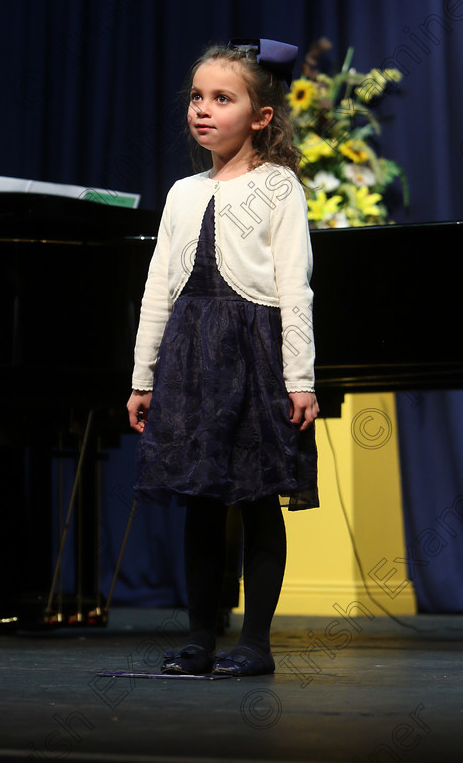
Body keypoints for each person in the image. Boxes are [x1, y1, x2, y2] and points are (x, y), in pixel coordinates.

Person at [126, 38, 319, 677]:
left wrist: (300, 378)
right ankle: (201, 640)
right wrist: (142, 376)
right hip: (190, 358)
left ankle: (255, 645)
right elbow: (158, 287)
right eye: (197, 97)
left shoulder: (279, 187)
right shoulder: (184, 193)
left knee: (257, 498)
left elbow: (295, 286)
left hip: (254, 355)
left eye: (221, 98)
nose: (202, 110)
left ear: (261, 116)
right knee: (201, 500)